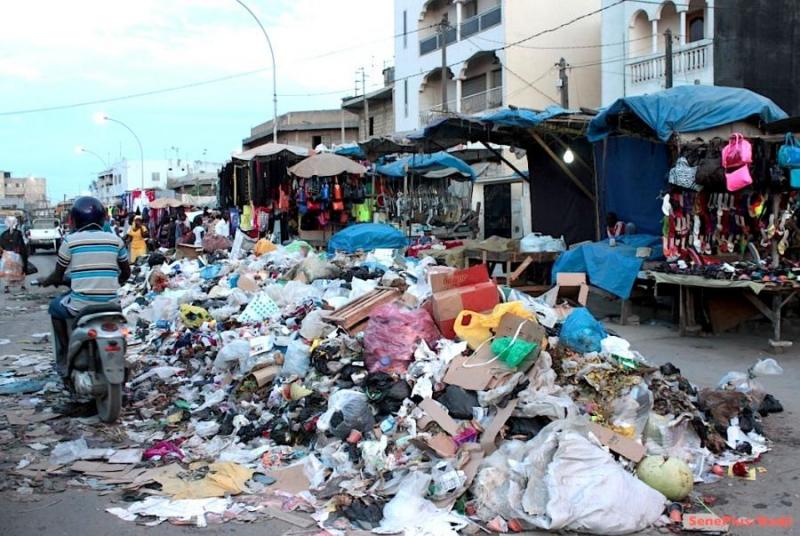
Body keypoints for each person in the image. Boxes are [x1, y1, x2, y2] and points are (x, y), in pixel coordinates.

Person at [39, 197, 131, 371]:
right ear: (103, 218)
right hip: (111, 304)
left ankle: (65, 355)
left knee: (54, 307)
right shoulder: (116, 240)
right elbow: (126, 273)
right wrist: (112, 282)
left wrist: (46, 281)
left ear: (75, 219)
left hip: (80, 306)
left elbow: (58, 276)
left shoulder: (70, 241)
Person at [0, 216, 28, 293]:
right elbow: (22, 245)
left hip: (6, 256)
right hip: (17, 255)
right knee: (19, 270)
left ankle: (6, 287)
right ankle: (22, 286)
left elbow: (1, 246)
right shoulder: (18, 233)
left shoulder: (3, 234)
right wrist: (24, 255)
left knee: (7, 272)